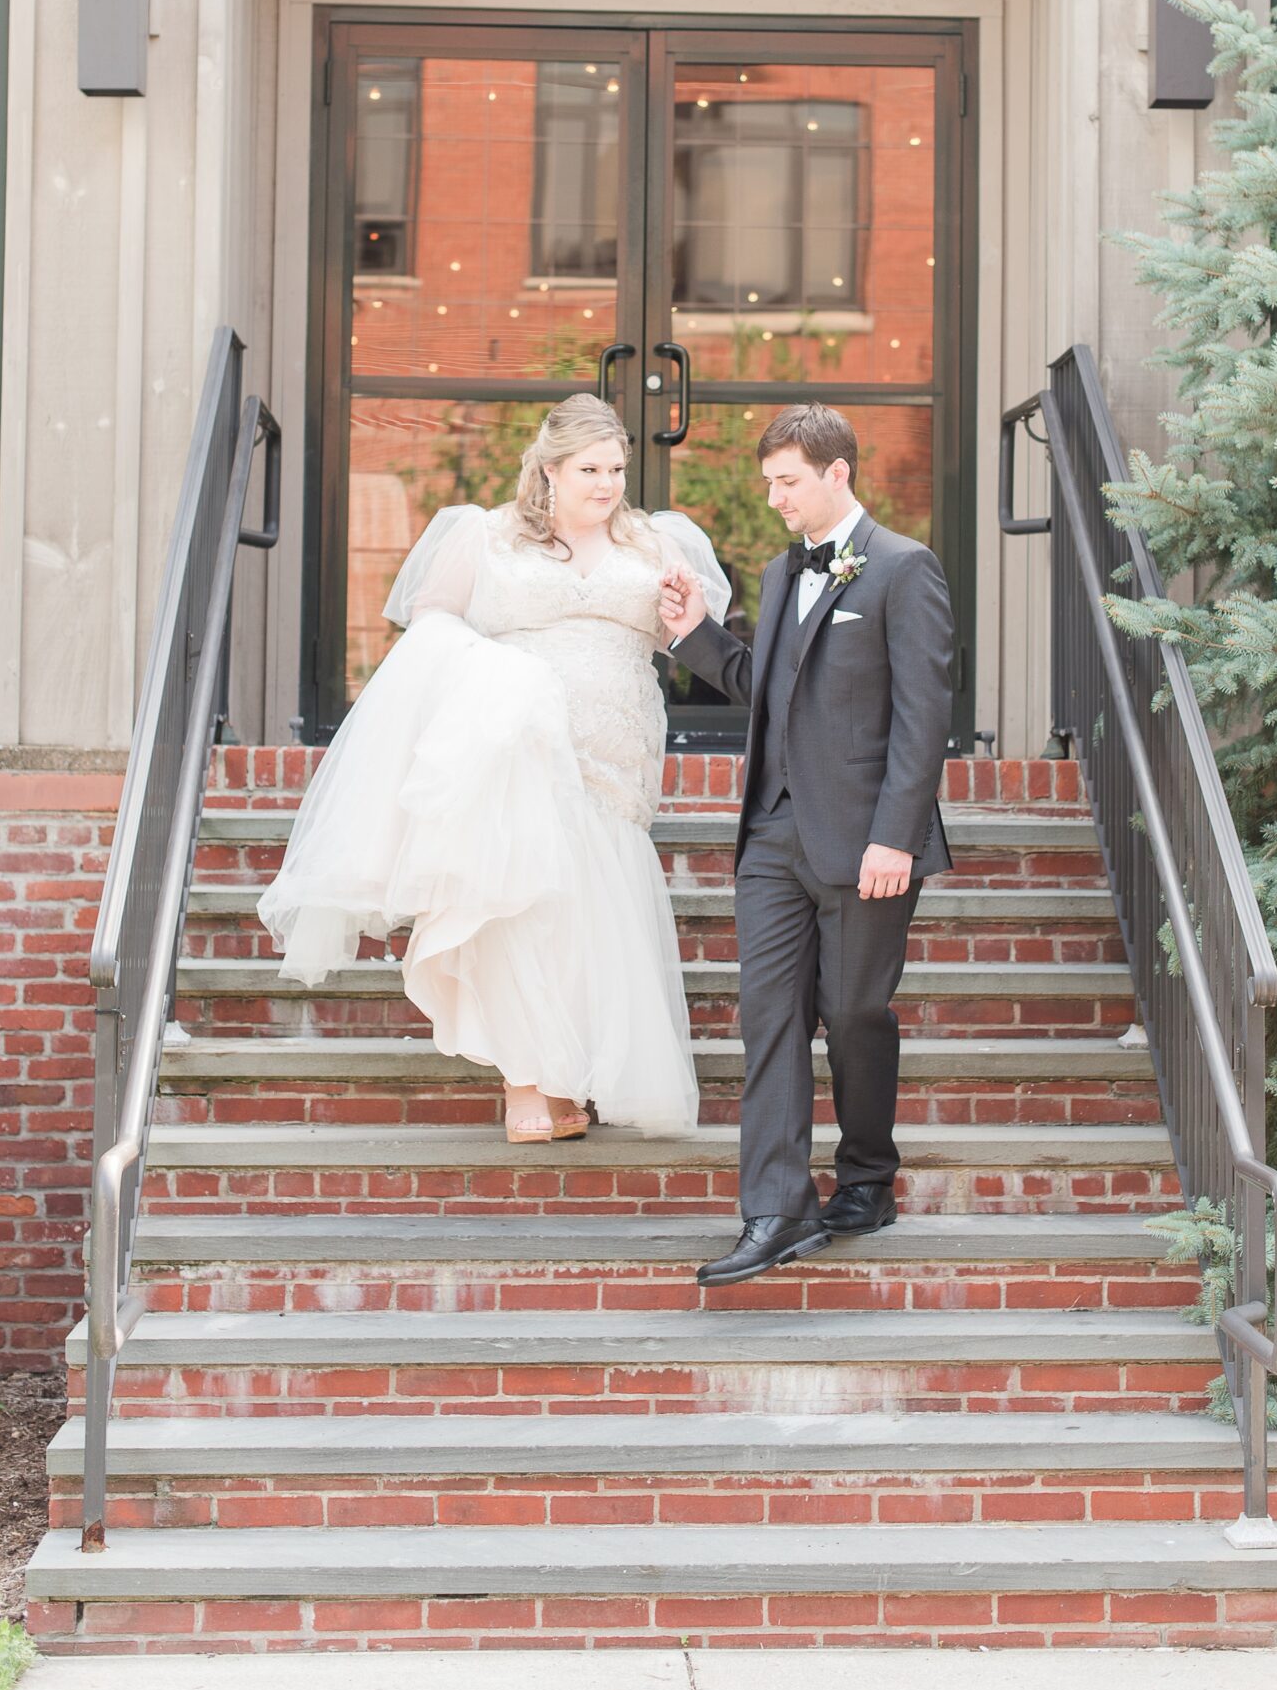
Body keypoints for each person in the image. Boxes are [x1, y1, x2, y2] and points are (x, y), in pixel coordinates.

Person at [257, 394, 727, 1143]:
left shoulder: (654, 541)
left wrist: (686, 616)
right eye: (588, 469)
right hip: (517, 742)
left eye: (615, 468)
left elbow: (690, 641)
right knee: (524, 905)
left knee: (592, 914)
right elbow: (433, 621)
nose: (606, 485)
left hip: (617, 746)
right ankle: (526, 1083)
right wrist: (495, 674)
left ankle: (571, 1076)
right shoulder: (487, 535)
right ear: (548, 470)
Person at [660, 403, 954, 1287]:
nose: (774, 499)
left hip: (866, 841)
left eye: (787, 482)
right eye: (769, 484)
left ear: (837, 474)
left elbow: (922, 716)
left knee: (855, 1013)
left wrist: (893, 837)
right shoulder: (781, 573)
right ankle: (776, 1211)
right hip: (772, 837)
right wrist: (692, 635)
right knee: (769, 1019)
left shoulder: (905, 570)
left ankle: (866, 1176)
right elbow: (765, 685)